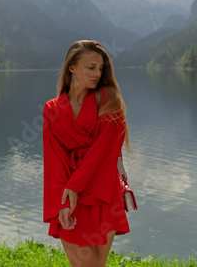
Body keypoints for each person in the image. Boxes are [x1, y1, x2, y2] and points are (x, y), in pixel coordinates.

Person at [42, 40, 131, 267]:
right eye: (91, 67)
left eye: (100, 68)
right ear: (72, 67)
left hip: (102, 188)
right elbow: (54, 160)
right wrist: (62, 200)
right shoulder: (52, 109)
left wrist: (74, 186)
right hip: (69, 195)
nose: (97, 73)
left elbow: (106, 149)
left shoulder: (108, 98)